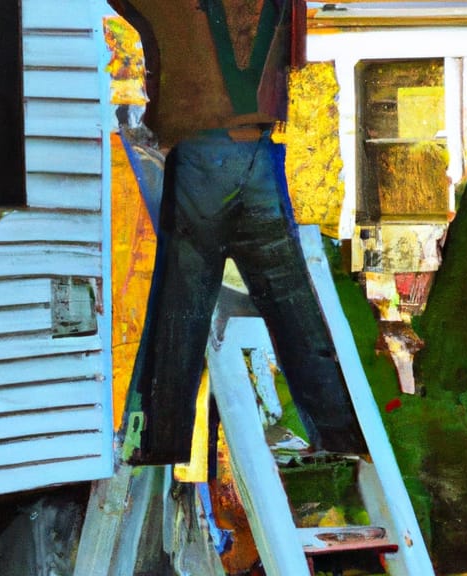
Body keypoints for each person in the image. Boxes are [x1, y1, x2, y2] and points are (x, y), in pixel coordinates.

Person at [114, 0, 366, 464]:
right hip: (261, 157)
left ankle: (164, 442)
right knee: (296, 313)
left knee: (182, 311)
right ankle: (341, 435)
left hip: (204, 159)